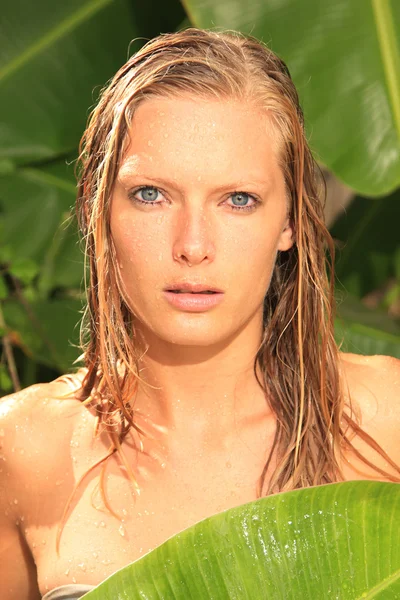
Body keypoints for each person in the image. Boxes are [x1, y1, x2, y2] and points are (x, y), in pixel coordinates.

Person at [1, 26, 399, 600]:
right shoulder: (25, 450)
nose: (192, 245)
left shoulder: (384, 422)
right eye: (151, 195)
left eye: (238, 200)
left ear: (289, 219)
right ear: (95, 204)